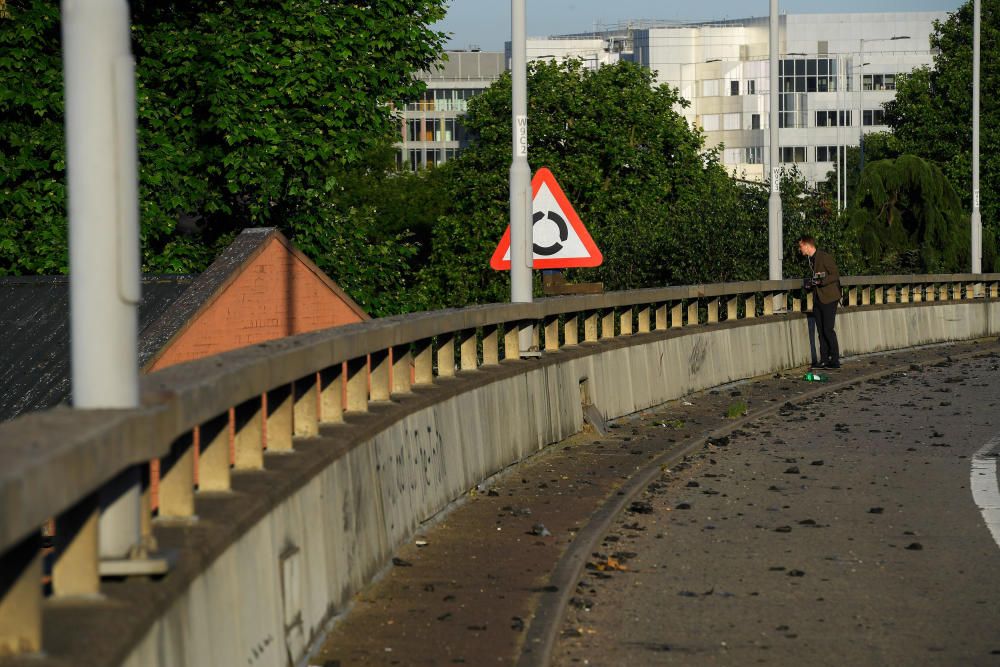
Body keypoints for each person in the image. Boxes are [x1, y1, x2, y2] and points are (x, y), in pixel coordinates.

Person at [798, 235, 841, 369]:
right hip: (817, 299)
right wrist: (810, 284)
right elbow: (815, 278)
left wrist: (821, 282)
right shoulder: (810, 260)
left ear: (807, 245)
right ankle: (824, 360)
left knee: (828, 329)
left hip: (829, 298)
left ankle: (834, 360)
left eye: (800, 246)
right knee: (821, 331)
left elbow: (835, 274)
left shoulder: (823, 256)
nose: (800, 250)